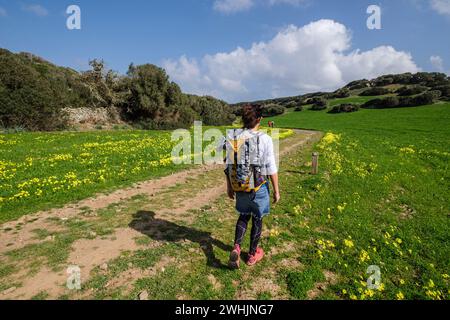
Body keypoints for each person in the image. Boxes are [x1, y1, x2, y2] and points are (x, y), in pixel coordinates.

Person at [223, 105, 280, 269]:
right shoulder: (265, 139)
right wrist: (276, 191)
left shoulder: (232, 136)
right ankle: (252, 254)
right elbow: (271, 168)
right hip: (258, 187)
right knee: (257, 219)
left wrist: (229, 187)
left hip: (240, 185)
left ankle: (236, 247)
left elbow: (228, 165)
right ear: (260, 119)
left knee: (243, 215)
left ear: (243, 119)